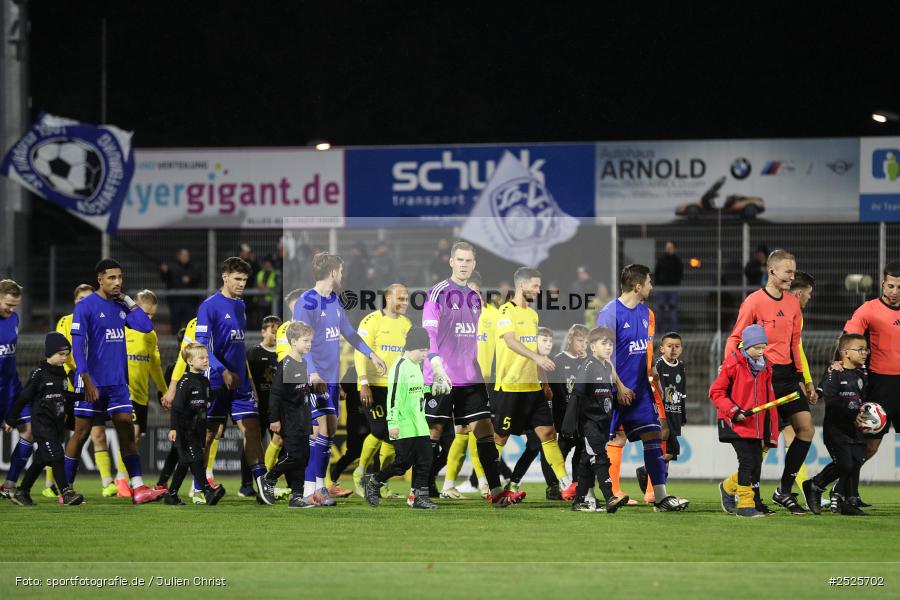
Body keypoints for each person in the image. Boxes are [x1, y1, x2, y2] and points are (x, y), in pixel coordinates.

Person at [423, 242, 523, 507]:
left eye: (469, 260)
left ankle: (497, 492)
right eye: (460, 260)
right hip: (443, 376)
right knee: (434, 434)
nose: (464, 264)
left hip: (471, 377)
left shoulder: (476, 299)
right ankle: (420, 490)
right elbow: (430, 332)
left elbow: (473, 341)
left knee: (485, 432)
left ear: (474, 264)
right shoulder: (438, 293)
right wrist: (434, 363)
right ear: (451, 262)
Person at [63, 259, 165, 504]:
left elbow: (145, 325)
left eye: (120, 277)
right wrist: (85, 378)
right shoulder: (86, 307)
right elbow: (77, 347)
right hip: (91, 381)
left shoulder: (121, 307)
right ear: (100, 279)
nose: (117, 282)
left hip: (118, 384)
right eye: (111, 278)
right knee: (81, 433)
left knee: (127, 433)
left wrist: (129, 302)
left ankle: (138, 488)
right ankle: (65, 488)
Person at [725, 249, 816, 515]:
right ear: (772, 271)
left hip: (788, 378)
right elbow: (735, 337)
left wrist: (804, 380)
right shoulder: (753, 302)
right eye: (788, 271)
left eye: (793, 271)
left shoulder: (792, 304)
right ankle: (750, 497)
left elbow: (794, 343)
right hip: (762, 377)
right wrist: (729, 367)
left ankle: (784, 490)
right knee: (763, 442)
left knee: (806, 430)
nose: (792, 276)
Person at [292, 252, 386, 502]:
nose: (342, 276)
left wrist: (371, 353)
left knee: (326, 433)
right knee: (321, 430)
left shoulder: (334, 300)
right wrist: (311, 371)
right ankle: (312, 489)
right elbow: (301, 343)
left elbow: (349, 332)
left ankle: (315, 488)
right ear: (333, 272)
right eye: (341, 271)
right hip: (315, 379)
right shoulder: (306, 302)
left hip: (331, 379)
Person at [597, 263, 689, 512]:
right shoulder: (609, 313)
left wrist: (652, 370)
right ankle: (585, 494)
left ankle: (660, 497)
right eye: (649, 282)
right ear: (637, 286)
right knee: (598, 445)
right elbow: (602, 357)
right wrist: (619, 386)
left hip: (640, 393)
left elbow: (643, 351)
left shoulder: (647, 314)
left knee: (653, 436)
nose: (651, 286)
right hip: (614, 392)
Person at [493, 267, 576, 500]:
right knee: (500, 438)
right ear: (522, 286)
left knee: (549, 433)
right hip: (510, 386)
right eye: (535, 286)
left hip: (533, 387)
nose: (539, 291)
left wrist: (545, 381)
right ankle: (493, 488)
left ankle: (565, 483)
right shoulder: (505, 312)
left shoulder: (532, 315)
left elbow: (535, 350)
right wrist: (537, 357)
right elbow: (510, 342)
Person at [190, 257, 267, 500]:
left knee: (252, 430)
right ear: (225, 277)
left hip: (240, 384)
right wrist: (221, 371)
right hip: (215, 382)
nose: (242, 283)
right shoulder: (209, 306)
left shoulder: (241, 306)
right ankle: (199, 484)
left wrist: (246, 379)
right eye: (237, 279)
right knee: (210, 434)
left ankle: (262, 483)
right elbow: (200, 345)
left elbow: (238, 346)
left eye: (245, 280)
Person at [47, 284, 114, 499]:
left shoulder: (99, 317)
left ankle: (107, 483)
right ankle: (52, 483)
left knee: (97, 432)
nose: (83, 303)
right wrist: (66, 377)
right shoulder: (65, 322)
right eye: (80, 299)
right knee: (63, 434)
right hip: (70, 382)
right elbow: (58, 352)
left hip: (94, 383)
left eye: (87, 299)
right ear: (75, 301)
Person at [3, 332, 84, 507]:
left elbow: (63, 396)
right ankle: (66, 493)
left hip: (56, 425)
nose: (64, 358)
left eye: (66, 354)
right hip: (42, 425)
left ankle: (22, 492)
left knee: (40, 460)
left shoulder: (61, 373)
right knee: (57, 457)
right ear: (49, 353)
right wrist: (11, 419)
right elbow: (24, 397)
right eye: (60, 354)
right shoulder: (39, 374)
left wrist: (82, 396)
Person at [363, 327, 439, 510]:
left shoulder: (416, 366)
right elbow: (393, 396)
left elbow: (416, 392)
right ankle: (373, 482)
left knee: (426, 459)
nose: (424, 354)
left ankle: (419, 498)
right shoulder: (400, 366)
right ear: (411, 347)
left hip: (419, 423)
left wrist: (431, 390)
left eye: (426, 350)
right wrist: (393, 423)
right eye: (422, 350)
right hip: (404, 423)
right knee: (402, 463)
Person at [843, 260, 900, 500]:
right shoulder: (868, 310)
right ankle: (846, 490)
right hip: (880, 385)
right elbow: (848, 339)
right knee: (870, 445)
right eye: (890, 286)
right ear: (882, 284)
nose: (895, 292)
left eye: (899, 287)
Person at [710, 325, 779, 518]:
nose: (761, 351)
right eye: (757, 347)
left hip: (756, 426)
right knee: (748, 462)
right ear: (746, 345)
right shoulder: (733, 364)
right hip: (735, 424)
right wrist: (734, 411)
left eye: (763, 347)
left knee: (755, 463)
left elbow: (768, 400)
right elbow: (716, 392)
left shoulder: (766, 367)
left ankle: (727, 487)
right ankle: (745, 505)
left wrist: (769, 430)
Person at [352, 284, 411, 498]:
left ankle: (380, 481)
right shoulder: (371, 321)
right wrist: (364, 382)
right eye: (400, 298)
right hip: (374, 386)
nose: (405, 302)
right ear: (388, 298)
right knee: (379, 430)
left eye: (406, 298)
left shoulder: (407, 324)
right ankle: (360, 474)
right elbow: (360, 353)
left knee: (391, 436)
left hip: (396, 387)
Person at [802, 334, 869, 516]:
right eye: (860, 349)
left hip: (856, 429)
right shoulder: (835, 371)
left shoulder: (862, 372)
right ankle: (814, 485)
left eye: (866, 349)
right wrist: (852, 415)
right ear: (845, 353)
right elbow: (832, 401)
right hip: (836, 428)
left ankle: (842, 502)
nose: (864, 353)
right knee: (845, 464)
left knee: (856, 462)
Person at [566, 326, 630, 513]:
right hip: (589, 423)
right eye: (604, 343)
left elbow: (608, 396)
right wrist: (569, 424)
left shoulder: (607, 366)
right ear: (592, 347)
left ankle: (579, 501)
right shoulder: (588, 366)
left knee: (587, 462)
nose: (608, 347)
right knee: (600, 458)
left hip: (603, 423)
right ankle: (610, 497)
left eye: (610, 344)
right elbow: (576, 395)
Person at [258, 321, 320, 508]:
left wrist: (314, 390)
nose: (309, 344)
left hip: (302, 418)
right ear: (293, 342)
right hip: (289, 419)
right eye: (305, 341)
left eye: (310, 341)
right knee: (294, 455)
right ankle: (268, 478)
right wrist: (274, 418)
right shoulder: (286, 364)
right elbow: (276, 393)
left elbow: (298, 391)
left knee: (304, 457)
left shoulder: (302, 364)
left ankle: (296, 496)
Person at [117, 290, 167, 496]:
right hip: (124, 392)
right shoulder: (124, 329)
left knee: (136, 438)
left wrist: (164, 390)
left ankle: (130, 479)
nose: (149, 318)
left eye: (153, 315)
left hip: (141, 394)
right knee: (132, 433)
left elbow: (155, 365)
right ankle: (121, 480)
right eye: (146, 314)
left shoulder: (151, 335)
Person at [163, 342, 225, 506]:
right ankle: (207, 490)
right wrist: (173, 428)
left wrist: (226, 390)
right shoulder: (184, 382)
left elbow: (209, 397)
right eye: (201, 358)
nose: (206, 360)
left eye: (207, 357)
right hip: (185, 429)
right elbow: (176, 408)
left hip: (198, 429)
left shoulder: (204, 381)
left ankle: (171, 495)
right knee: (196, 458)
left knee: (184, 463)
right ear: (190, 361)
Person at [637, 331, 687, 503]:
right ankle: (653, 489)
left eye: (677, 346)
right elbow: (654, 391)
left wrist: (683, 414)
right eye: (669, 346)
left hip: (675, 415)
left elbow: (682, 392)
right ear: (661, 349)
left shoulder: (680, 366)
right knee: (669, 451)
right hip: (661, 417)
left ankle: (651, 478)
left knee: (668, 454)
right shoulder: (657, 366)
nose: (673, 349)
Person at [244, 315, 282, 498]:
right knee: (253, 443)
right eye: (273, 331)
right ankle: (246, 485)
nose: (276, 335)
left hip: (277, 406)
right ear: (263, 332)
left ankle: (271, 481)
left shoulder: (283, 353)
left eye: (278, 331)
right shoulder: (253, 353)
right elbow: (247, 378)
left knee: (281, 441)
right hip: (258, 404)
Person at [0, 280, 28, 498]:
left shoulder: (14, 319)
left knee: (29, 432)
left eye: (15, 305)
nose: (11, 309)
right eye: (8, 304)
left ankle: (9, 484)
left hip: (12, 389)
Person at [159, 248, 202, 334]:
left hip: (190, 302)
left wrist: (190, 278)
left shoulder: (194, 267)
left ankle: (190, 345)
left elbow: (199, 277)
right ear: (178, 256)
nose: (184, 257)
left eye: (186, 255)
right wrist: (164, 272)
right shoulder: (172, 267)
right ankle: (175, 345)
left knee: (191, 325)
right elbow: (166, 279)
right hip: (176, 301)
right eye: (182, 255)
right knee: (175, 324)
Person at [654, 241, 684, 333]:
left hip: (673, 289)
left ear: (674, 249)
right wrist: (658, 285)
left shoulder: (677, 261)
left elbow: (680, 273)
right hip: (662, 289)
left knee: (673, 312)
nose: (668, 249)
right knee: (660, 312)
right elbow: (656, 273)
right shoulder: (661, 260)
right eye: (667, 247)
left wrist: (676, 284)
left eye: (670, 248)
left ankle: (673, 334)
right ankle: (659, 333)